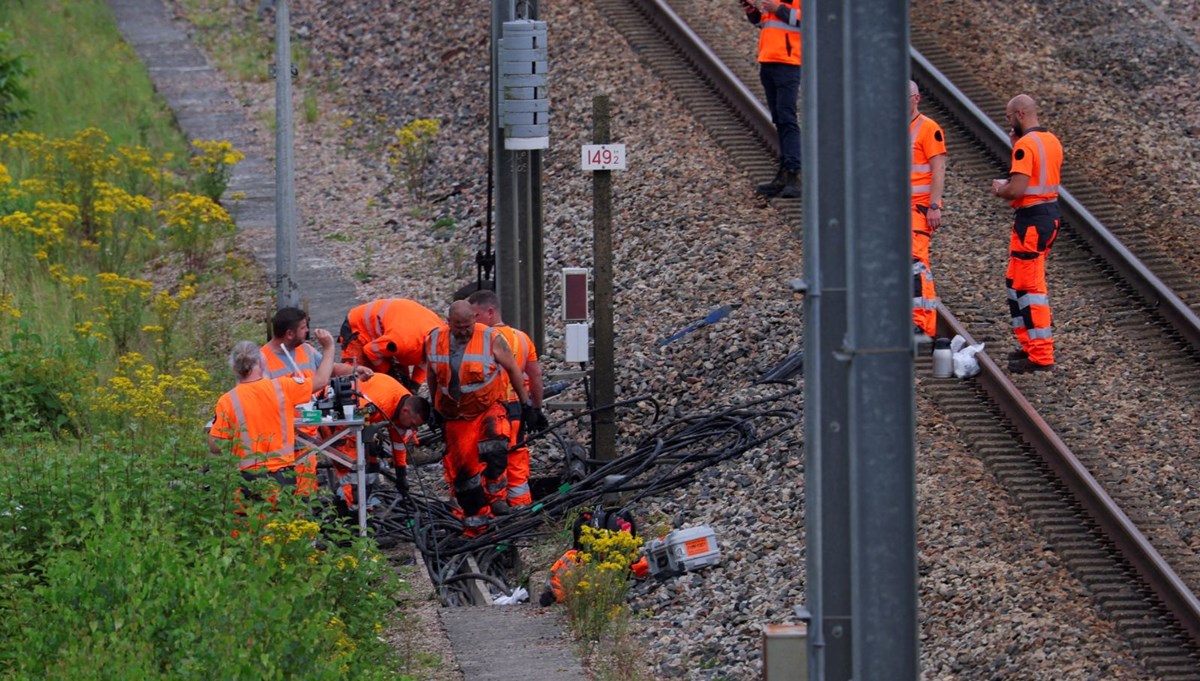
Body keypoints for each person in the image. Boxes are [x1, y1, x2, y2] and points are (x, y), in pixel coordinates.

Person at [424, 300, 531, 537]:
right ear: (448, 321)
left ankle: (497, 499)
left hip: (487, 408)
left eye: (467, 325)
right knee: (464, 473)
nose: (463, 331)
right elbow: (432, 375)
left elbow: (514, 369)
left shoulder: (490, 338)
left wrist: (527, 405)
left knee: (496, 449)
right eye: (458, 326)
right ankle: (476, 521)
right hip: (455, 416)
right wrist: (434, 408)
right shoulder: (433, 340)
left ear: (475, 318)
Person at [209, 331, 336, 497]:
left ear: (234, 368)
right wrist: (329, 347)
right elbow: (321, 380)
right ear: (262, 363)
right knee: (285, 520)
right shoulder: (282, 388)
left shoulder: (227, 400)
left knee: (255, 521)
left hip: (249, 477)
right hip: (283, 474)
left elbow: (216, 446)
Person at [992, 94, 1062, 374]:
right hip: (1047, 216)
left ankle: (1041, 355)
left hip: (1032, 221)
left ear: (1020, 114)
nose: (1008, 122)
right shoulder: (1051, 141)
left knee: (1030, 287)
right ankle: (1031, 347)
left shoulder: (1026, 146)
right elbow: (1040, 177)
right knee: (1017, 281)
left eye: (1009, 117)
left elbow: (1018, 189)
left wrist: (1000, 188)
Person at [467, 289, 548, 511]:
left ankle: (496, 511)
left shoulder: (480, 340)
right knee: (516, 457)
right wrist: (536, 408)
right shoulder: (522, 339)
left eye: (475, 315)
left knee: (491, 461)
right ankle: (521, 510)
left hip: (491, 413)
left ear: (490, 312)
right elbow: (535, 376)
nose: (472, 321)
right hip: (518, 410)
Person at [324, 373, 430, 511]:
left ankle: (362, 504)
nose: (413, 429)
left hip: (358, 421)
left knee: (371, 465)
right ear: (405, 411)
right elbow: (349, 420)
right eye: (413, 424)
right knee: (352, 466)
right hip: (335, 415)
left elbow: (398, 444)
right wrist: (359, 448)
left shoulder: (404, 409)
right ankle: (349, 509)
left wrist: (401, 474)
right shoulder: (380, 403)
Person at [740, 0, 802, 199]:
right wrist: (753, 13)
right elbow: (766, 24)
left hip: (788, 63)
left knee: (787, 118)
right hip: (768, 61)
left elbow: (808, 22)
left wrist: (779, 10)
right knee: (779, 118)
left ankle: (794, 173)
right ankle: (784, 174)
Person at [909, 80, 947, 338]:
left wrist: (934, 205)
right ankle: (914, 320)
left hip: (920, 209)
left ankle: (921, 323)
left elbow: (938, 168)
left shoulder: (928, 128)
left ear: (916, 98)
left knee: (916, 262)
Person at [338, 298, 443, 390]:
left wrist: (413, 387)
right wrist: (388, 374)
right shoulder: (402, 342)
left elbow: (425, 362)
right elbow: (370, 351)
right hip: (358, 329)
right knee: (357, 381)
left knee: (402, 384)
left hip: (390, 334)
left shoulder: (441, 335)